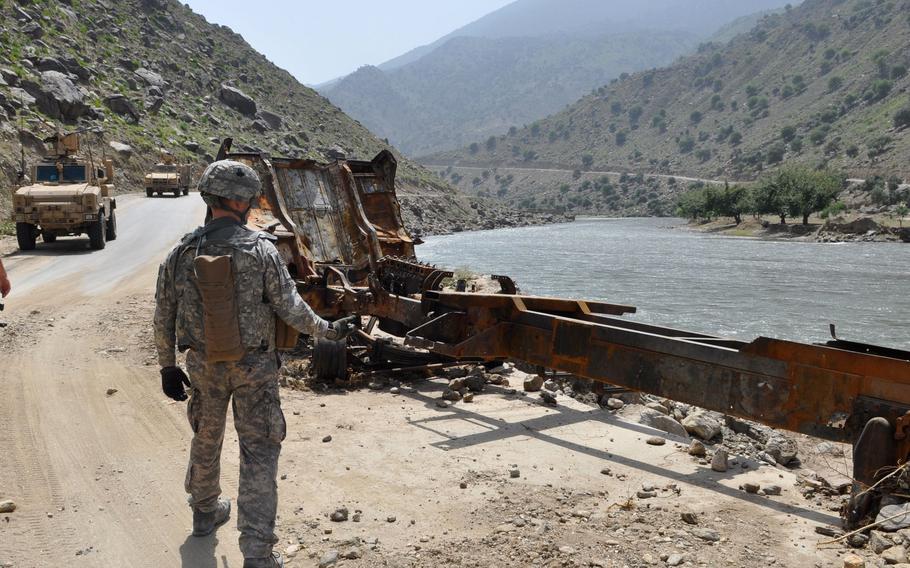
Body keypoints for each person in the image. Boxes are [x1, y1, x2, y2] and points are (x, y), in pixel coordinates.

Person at [154, 160, 356, 568]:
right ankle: (257, 554)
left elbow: (163, 315)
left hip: (203, 367)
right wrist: (330, 331)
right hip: (255, 370)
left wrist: (166, 367)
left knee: (205, 440)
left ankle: (205, 513)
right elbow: (292, 310)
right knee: (260, 454)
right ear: (238, 200)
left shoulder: (180, 253)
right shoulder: (260, 250)